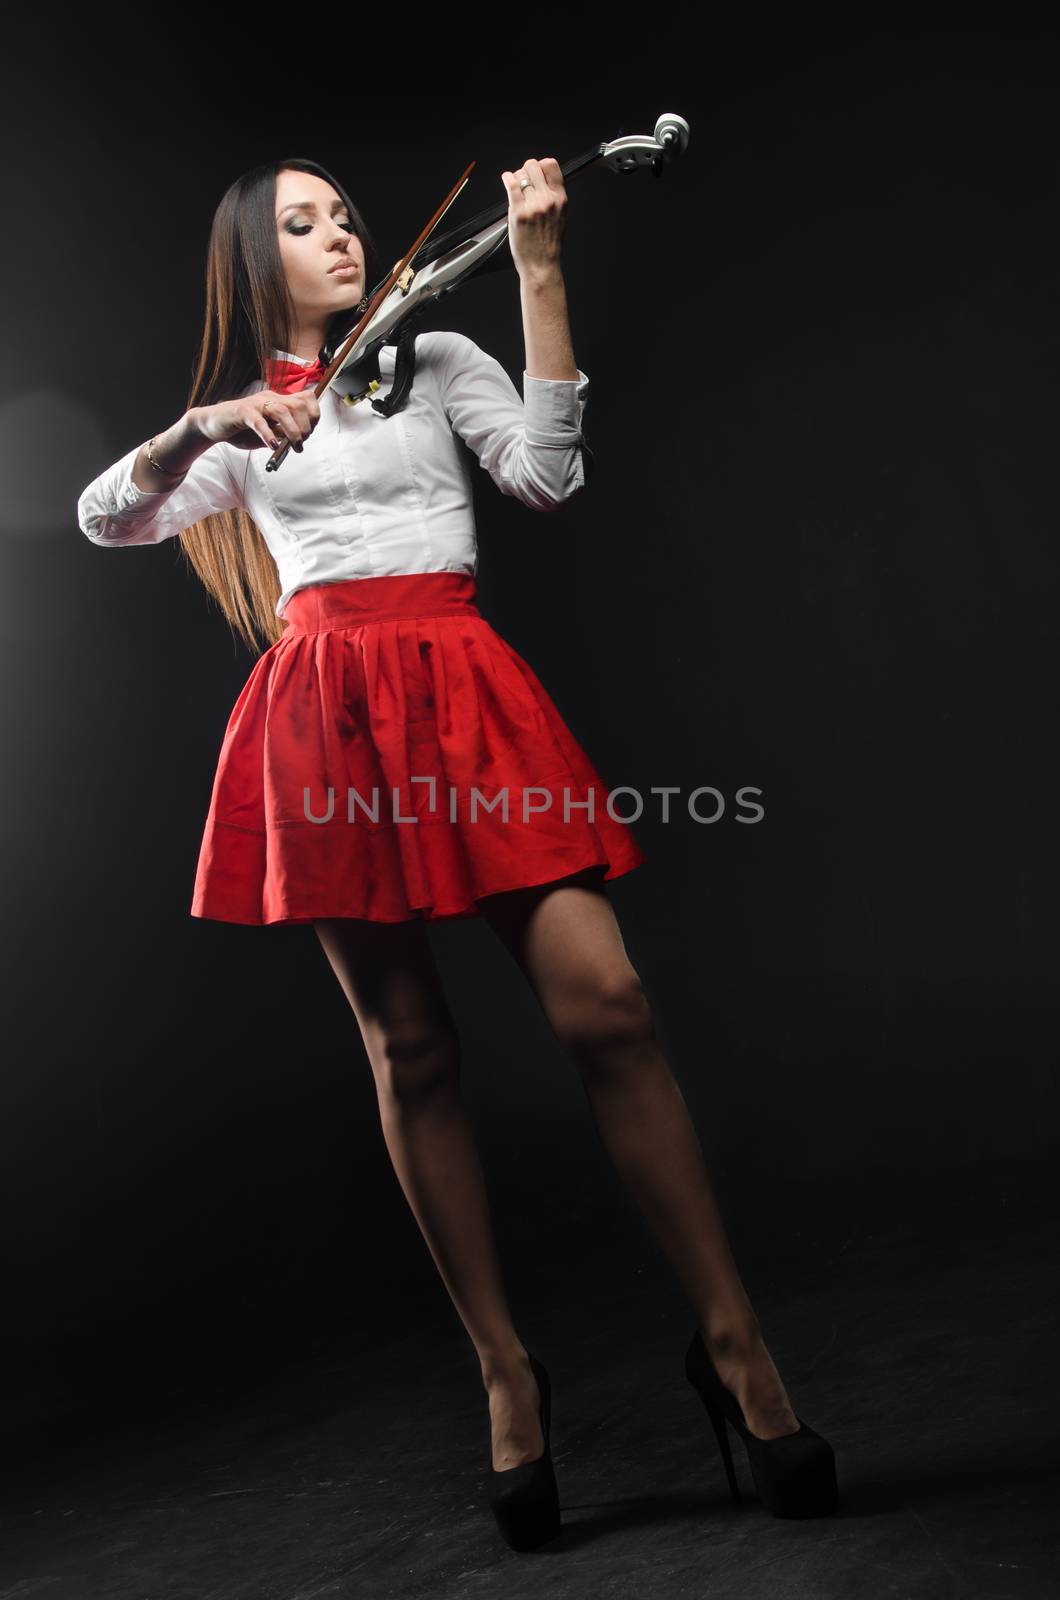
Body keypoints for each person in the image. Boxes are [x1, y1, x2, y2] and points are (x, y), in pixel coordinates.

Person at [76, 154, 837, 1548]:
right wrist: (199, 428)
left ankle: (734, 1345)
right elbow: (106, 516)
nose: (342, 235)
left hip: (465, 691)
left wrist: (539, 274)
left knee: (607, 1003)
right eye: (302, 225)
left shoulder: (432, 353)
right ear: (256, 263)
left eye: (345, 215)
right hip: (324, 716)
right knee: (410, 1052)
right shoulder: (246, 421)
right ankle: (505, 1370)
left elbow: (547, 476)